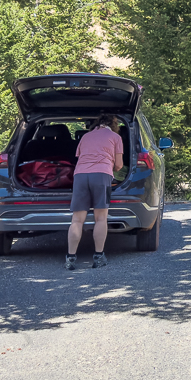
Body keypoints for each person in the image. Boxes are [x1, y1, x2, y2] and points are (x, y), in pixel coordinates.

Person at [66, 114, 125, 270]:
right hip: (101, 175)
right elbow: (119, 165)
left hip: (80, 176)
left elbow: (79, 157)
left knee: (77, 220)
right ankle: (98, 257)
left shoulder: (85, 136)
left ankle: (70, 258)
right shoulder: (115, 137)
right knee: (100, 218)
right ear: (114, 125)